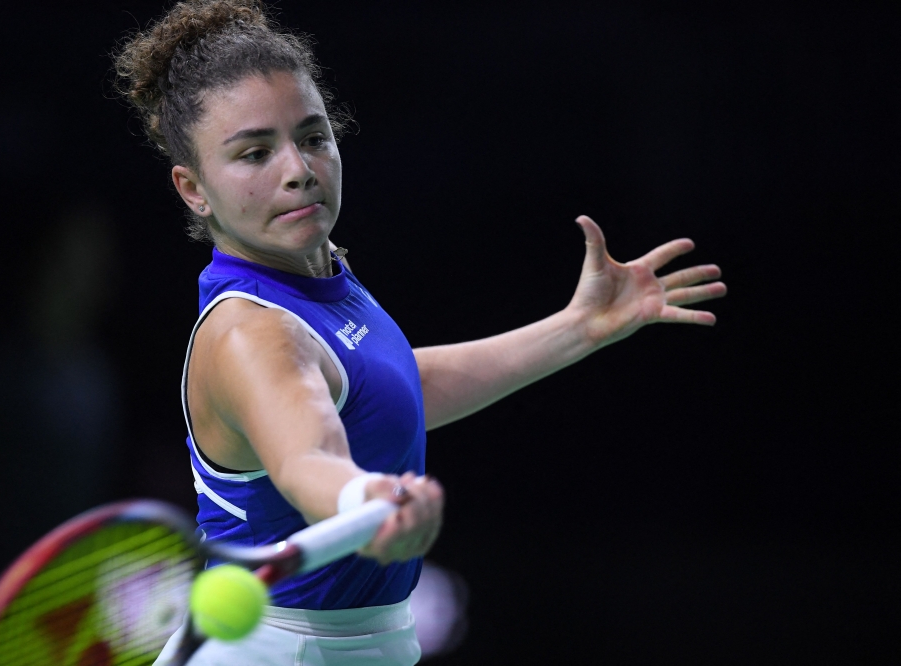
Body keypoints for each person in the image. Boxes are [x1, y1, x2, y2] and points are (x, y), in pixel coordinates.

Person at [113, 1, 726, 663]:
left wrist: (579, 329)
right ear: (193, 188)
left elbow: (393, 388)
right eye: (254, 153)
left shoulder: (318, 277)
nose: (298, 169)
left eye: (313, 137)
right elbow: (305, 457)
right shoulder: (252, 334)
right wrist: (363, 499)